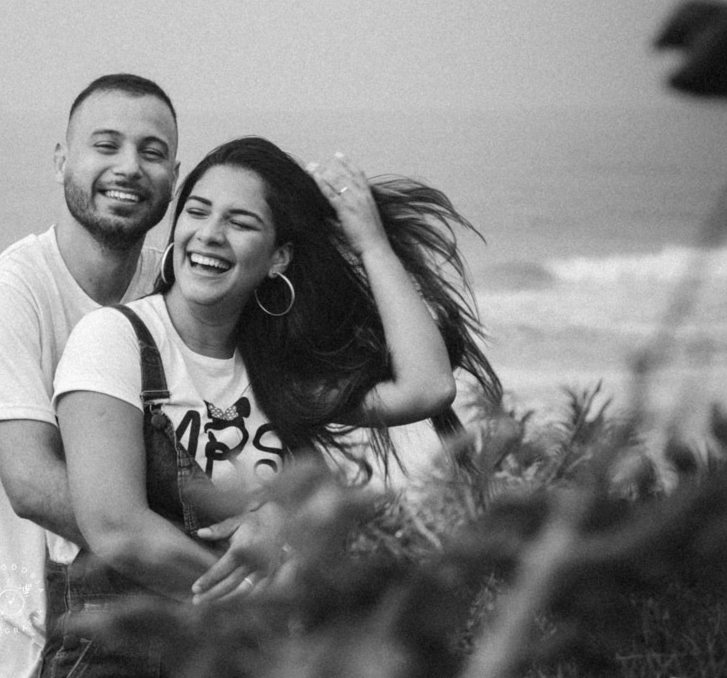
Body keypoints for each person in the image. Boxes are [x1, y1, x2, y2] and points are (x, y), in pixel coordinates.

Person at [42, 137, 499, 676]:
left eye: (240, 222)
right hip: (125, 658)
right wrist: (267, 599)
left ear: (277, 256)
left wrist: (372, 244)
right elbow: (116, 529)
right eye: (197, 211)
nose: (209, 234)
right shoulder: (115, 339)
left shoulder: (276, 370)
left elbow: (427, 387)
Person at [0, 73, 180, 678]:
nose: (129, 166)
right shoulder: (6, 295)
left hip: (148, 635)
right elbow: (32, 485)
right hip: (17, 635)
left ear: (174, 178)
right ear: (61, 160)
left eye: (152, 152)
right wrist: (203, 561)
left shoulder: (176, 288)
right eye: (106, 145)